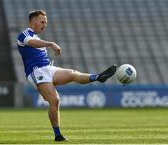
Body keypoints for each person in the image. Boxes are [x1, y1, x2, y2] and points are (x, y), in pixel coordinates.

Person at [17, 10, 117, 142]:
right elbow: (31, 43)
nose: (44, 25)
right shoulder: (24, 35)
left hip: (48, 68)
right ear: (33, 21)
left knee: (72, 73)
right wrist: (51, 43)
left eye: (46, 22)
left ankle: (98, 77)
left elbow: (37, 45)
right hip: (36, 72)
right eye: (42, 22)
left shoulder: (38, 37)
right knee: (55, 100)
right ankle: (58, 135)